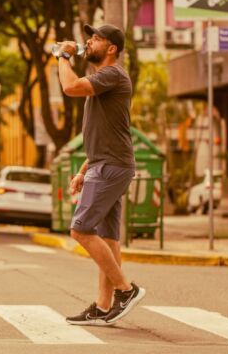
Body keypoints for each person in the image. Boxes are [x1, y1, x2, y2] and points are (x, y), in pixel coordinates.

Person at [55, 23, 145, 326]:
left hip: (112, 167)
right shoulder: (102, 80)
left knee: (80, 229)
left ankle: (126, 290)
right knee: (108, 237)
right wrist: (84, 169)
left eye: (96, 38)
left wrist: (62, 55)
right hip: (104, 164)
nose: (89, 42)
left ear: (111, 49)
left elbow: (69, 88)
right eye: (90, 37)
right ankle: (104, 306)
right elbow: (101, 135)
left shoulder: (112, 74)